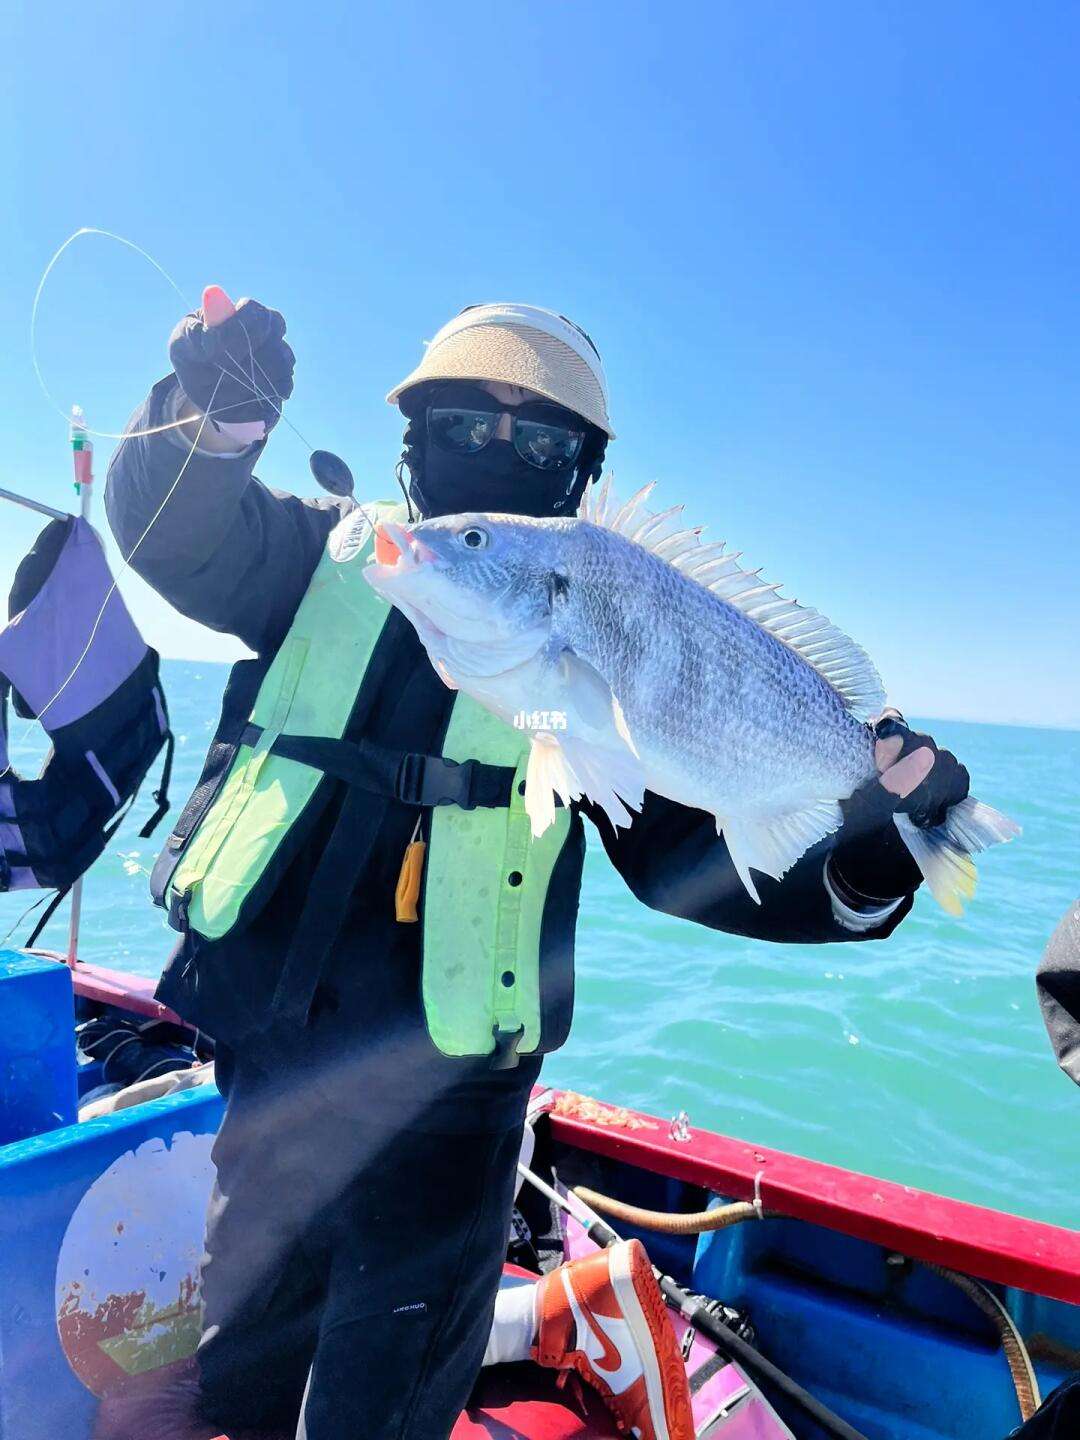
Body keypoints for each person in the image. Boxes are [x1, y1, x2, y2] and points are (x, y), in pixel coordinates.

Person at [105, 293, 972, 1440]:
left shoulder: (605, 636)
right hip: (278, 1062)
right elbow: (176, 530)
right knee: (244, 1366)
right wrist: (204, 418)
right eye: (466, 426)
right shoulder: (317, 557)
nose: (498, 456)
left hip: (455, 1105)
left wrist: (873, 850)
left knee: (386, 1402)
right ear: (414, 442)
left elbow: (695, 867)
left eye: (542, 441)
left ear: (578, 478)